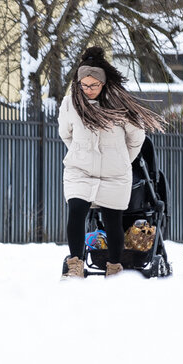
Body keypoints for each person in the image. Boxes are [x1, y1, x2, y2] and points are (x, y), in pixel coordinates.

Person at [58, 46, 164, 278]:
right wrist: (81, 152)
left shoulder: (120, 105)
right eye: (84, 85)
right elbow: (66, 134)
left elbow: (137, 138)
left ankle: (114, 267)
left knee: (112, 220)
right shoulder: (70, 104)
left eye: (93, 85)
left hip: (114, 174)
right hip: (80, 170)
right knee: (76, 211)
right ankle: (75, 265)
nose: (89, 90)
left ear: (103, 83)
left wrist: (122, 160)